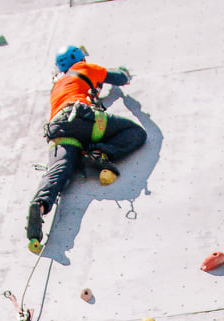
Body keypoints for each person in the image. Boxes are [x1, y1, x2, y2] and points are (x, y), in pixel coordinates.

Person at [23, 46, 147, 253]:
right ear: (78, 58)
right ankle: (98, 152)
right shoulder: (84, 68)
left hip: (58, 129)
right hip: (82, 117)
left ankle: (41, 205)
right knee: (135, 133)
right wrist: (125, 74)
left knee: (59, 170)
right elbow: (117, 78)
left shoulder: (58, 86)